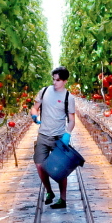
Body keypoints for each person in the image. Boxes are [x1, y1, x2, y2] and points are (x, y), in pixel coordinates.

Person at [30, 66, 76, 209]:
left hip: (59, 137)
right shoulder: (44, 92)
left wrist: (67, 134)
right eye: (54, 79)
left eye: (58, 80)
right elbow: (35, 107)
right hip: (43, 135)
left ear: (65, 81)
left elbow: (72, 119)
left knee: (60, 169)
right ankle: (49, 191)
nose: (55, 83)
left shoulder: (69, 97)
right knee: (39, 165)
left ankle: (62, 199)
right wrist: (34, 114)